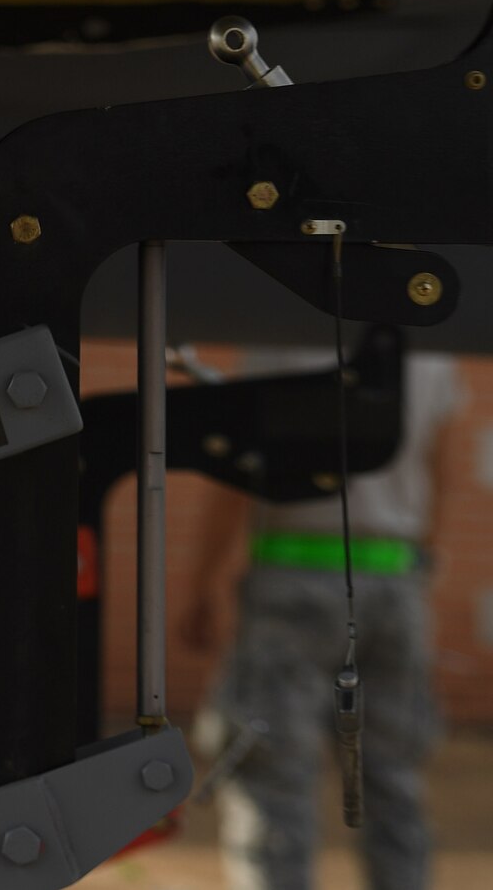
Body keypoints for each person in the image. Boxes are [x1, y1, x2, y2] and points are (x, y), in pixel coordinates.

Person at [184, 346, 464, 890]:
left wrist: (206, 581)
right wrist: (419, 565)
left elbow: (237, 468)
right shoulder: (430, 347)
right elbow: (441, 465)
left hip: (291, 580)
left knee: (273, 774)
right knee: (395, 779)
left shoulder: (278, 341)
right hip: (395, 583)